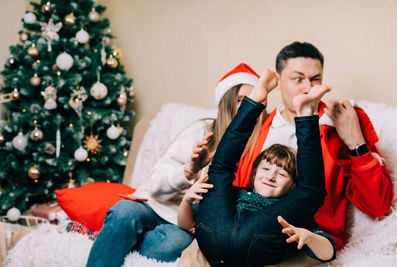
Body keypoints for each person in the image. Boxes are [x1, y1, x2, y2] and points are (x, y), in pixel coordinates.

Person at [86, 63, 265, 266]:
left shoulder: (260, 145)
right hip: (154, 203)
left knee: (172, 244)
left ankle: (115, 238)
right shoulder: (203, 130)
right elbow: (155, 184)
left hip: (184, 222)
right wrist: (189, 170)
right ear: (226, 104)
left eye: (252, 101)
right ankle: (115, 236)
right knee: (123, 213)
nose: (246, 107)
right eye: (240, 100)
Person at [234, 42, 394, 253]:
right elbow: (236, 188)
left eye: (315, 79)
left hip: (313, 241)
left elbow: (378, 206)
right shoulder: (258, 126)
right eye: (298, 79)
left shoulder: (337, 125)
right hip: (254, 234)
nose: (308, 88)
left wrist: (356, 143)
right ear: (278, 81)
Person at [191, 69, 334, 266]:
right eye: (265, 170)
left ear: (293, 187)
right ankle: (258, 101)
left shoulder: (292, 214)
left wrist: (309, 237)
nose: (271, 176)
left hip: (253, 241)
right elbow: (186, 221)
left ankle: (305, 113)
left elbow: (329, 251)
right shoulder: (235, 193)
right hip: (212, 234)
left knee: (309, 193)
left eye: (282, 173)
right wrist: (187, 199)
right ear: (254, 173)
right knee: (219, 171)